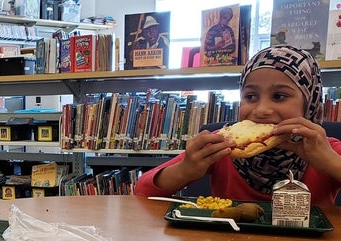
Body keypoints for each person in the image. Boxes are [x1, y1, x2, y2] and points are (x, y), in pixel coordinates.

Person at [135, 44, 341, 206]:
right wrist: (186, 170)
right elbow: (142, 190)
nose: (261, 110)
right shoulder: (222, 146)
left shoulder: (326, 149)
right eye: (250, 96)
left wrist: (331, 163)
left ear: (310, 104)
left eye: (279, 96)